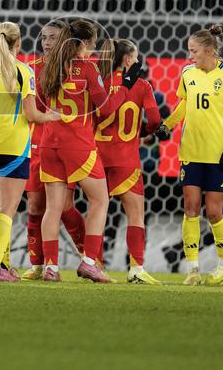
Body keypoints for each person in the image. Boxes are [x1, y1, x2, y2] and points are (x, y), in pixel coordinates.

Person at [37, 19, 132, 282]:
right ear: (86, 44)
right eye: (92, 45)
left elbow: (40, 106)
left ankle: (51, 268)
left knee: (53, 208)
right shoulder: (88, 69)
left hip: (49, 144)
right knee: (100, 200)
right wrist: (124, 89)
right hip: (78, 144)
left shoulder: (47, 67)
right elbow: (106, 109)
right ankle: (89, 261)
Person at [155, 24, 223, 285]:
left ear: (209, 50)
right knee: (190, 208)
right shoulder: (188, 74)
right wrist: (168, 125)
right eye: (189, 51)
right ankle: (193, 269)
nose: (190, 57)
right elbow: (184, 105)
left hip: (219, 155)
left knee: (214, 213)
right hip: (191, 152)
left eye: (193, 51)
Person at [0, 21, 60, 281]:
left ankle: (5, 264)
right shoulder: (23, 71)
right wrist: (53, 116)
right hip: (13, 147)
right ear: (18, 43)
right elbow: (31, 113)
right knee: (6, 210)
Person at [19, 20, 87, 280]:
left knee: (65, 205)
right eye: (43, 37)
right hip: (37, 143)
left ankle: (88, 257)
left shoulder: (74, 70)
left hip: (66, 144)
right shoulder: (31, 69)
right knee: (35, 206)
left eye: (53, 38)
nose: (46, 42)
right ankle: (40, 264)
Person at [95, 39, 162, 284]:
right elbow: (154, 120)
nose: (137, 61)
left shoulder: (98, 82)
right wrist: (142, 131)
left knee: (97, 213)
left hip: (97, 158)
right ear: (127, 60)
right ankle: (136, 269)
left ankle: (95, 265)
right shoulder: (142, 85)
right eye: (135, 57)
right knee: (136, 215)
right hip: (127, 159)